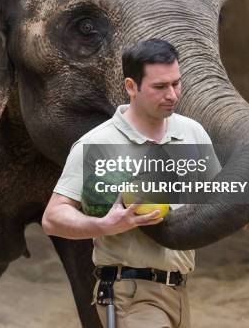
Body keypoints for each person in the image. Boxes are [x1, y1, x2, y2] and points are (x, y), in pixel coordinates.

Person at [41, 38, 221, 328]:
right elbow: (53, 216)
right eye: (160, 87)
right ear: (130, 87)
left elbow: (216, 195)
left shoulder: (192, 133)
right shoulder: (98, 144)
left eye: (176, 83)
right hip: (130, 292)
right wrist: (103, 226)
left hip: (178, 289)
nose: (172, 95)